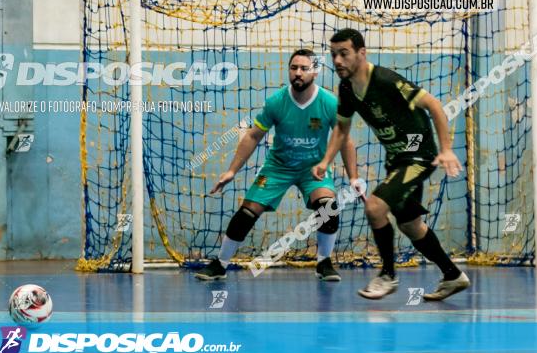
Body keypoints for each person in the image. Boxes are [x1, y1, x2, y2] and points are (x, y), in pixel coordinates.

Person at [313, 28, 470, 301]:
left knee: (374, 207)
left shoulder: (385, 80)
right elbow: (341, 128)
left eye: (344, 53)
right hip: (397, 159)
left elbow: (433, 105)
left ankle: (387, 274)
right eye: (334, 54)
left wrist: (445, 149)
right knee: (410, 225)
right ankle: (453, 275)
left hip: (417, 154)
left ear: (362, 53)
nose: (337, 60)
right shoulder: (347, 88)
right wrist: (326, 160)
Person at [198, 49, 361, 282]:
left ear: (315, 72)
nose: (298, 73)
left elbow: (345, 139)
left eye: (304, 68)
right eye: (294, 68)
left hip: (313, 168)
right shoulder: (276, 102)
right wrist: (232, 170)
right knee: (246, 213)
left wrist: (354, 178)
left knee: (328, 208)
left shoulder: (329, 102)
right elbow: (253, 136)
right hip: (278, 167)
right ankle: (220, 264)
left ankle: (323, 262)